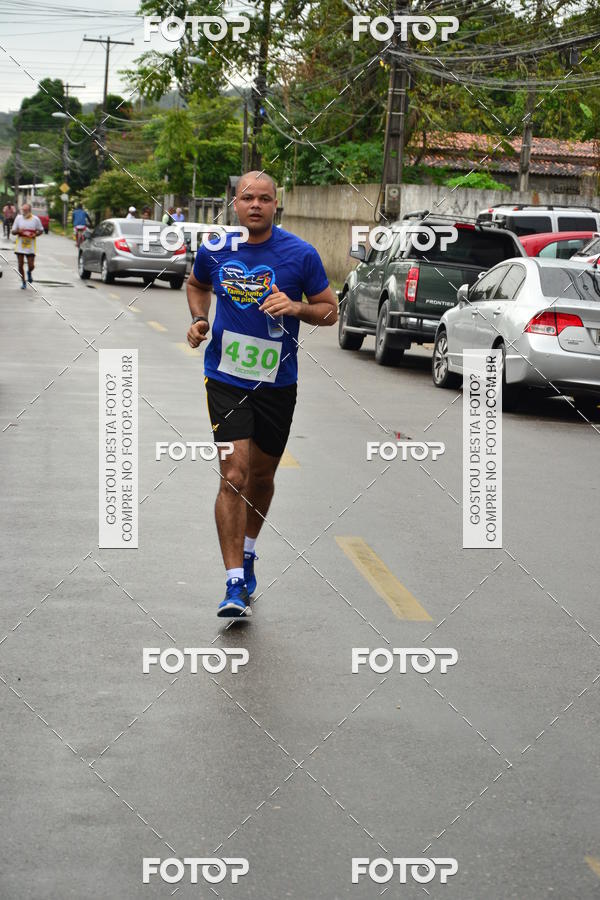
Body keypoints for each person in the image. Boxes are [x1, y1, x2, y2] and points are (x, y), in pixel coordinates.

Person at [186, 171, 338, 617]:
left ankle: (249, 551)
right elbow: (197, 285)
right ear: (235, 204)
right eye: (247, 198)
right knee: (234, 474)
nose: (256, 205)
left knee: (262, 479)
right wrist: (200, 319)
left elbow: (330, 311)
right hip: (226, 378)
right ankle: (234, 584)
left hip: (277, 384)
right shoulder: (215, 250)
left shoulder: (300, 255)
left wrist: (296, 307)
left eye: (264, 199)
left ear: (276, 205)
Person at [12, 202, 44, 289]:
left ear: (29, 210)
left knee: (31, 265)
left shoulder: (35, 219)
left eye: (25, 210)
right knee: (20, 265)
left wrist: (35, 235)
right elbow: (13, 231)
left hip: (30, 246)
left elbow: (41, 230)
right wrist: (19, 231)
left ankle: (29, 272)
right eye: (23, 210)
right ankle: (23, 282)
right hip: (20, 246)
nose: (23, 211)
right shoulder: (18, 218)